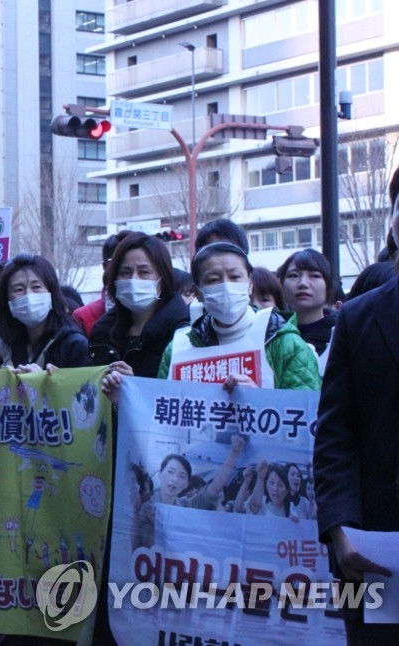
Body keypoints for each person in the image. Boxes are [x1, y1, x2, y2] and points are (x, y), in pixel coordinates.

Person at [314, 168, 399, 644]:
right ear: (391, 222)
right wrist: (341, 528)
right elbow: (336, 435)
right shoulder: (360, 318)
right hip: (379, 551)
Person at [154, 242, 320, 391]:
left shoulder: (283, 342)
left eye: (234, 277)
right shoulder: (178, 349)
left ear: (249, 284)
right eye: (213, 279)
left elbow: (305, 413)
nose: (226, 286)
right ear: (198, 293)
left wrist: (258, 402)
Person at [91, 233, 189, 398]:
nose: (133, 280)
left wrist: (136, 388)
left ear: (162, 278)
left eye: (144, 272)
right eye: (125, 272)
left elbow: (182, 401)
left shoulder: (182, 334)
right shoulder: (102, 332)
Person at [132, 436, 246, 550]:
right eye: (170, 472)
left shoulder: (187, 506)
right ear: (160, 474)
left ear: (186, 484)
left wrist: (234, 454)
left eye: (181, 476)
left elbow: (214, 488)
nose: (174, 479)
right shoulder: (142, 509)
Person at [0, 255, 89, 372]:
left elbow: (85, 388)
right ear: (7, 300)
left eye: (36, 287)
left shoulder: (73, 345)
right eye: (18, 289)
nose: (28, 295)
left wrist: (42, 383)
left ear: (51, 291)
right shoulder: (0, 349)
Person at [277, 248, 336, 356]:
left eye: (314, 276)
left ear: (328, 285)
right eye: (293, 275)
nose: (303, 283)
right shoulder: (272, 332)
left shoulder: (341, 332)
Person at [73, 232, 129, 337]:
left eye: (143, 270)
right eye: (121, 265)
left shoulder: (160, 312)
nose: (132, 276)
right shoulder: (85, 317)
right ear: (106, 267)